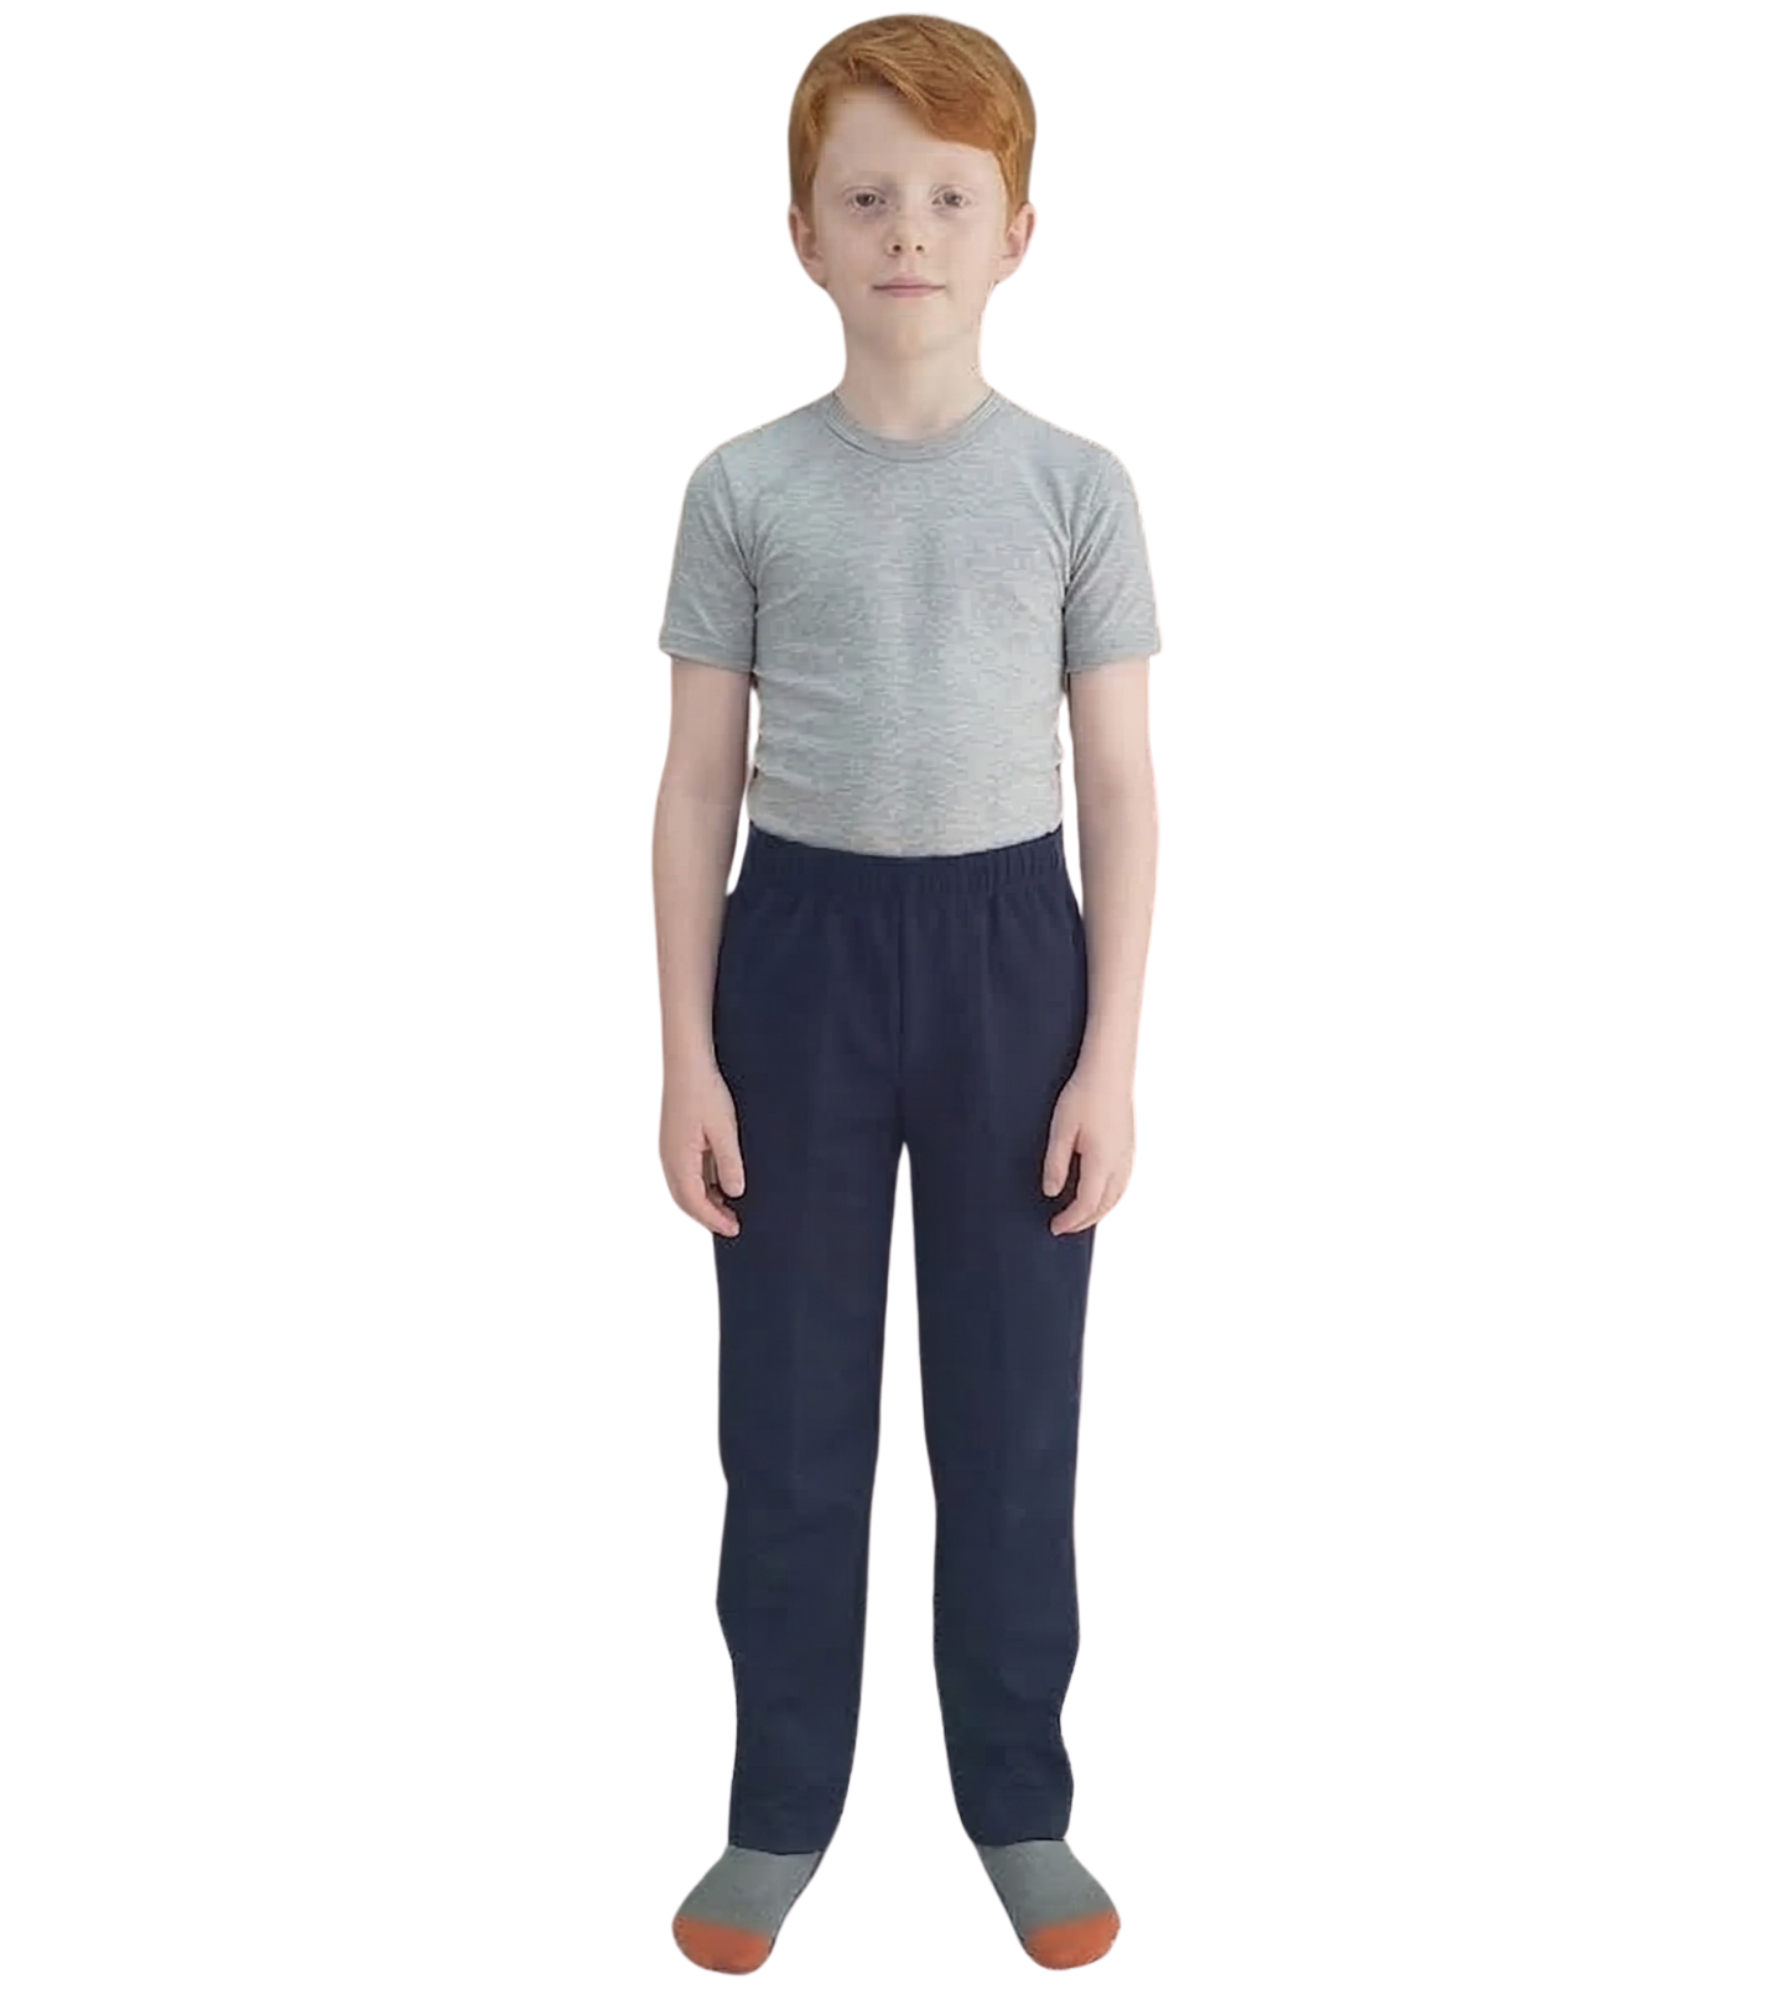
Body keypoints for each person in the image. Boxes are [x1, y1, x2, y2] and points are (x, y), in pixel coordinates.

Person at [652, 12, 1163, 1976]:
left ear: (1017, 234)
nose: (907, 233)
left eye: (950, 198)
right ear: (803, 235)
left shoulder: (1078, 485)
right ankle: (777, 1805)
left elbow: (1120, 782)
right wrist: (685, 1051)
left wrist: (1111, 1055)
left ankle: (1019, 1799)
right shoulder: (739, 485)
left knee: (1016, 1415)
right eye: (865, 199)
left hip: (1012, 960)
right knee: (788, 1414)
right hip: (795, 961)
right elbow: (695, 783)